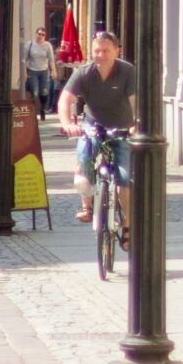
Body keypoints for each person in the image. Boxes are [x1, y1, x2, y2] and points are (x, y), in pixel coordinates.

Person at [57, 27, 137, 232]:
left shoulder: (127, 71)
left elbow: (135, 101)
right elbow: (65, 99)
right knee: (84, 157)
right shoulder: (84, 72)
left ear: (117, 51)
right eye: (96, 51)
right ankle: (87, 206)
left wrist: (136, 124)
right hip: (94, 125)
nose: (100, 55)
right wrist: (67, 123)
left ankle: (127, 224)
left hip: (121, 128)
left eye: (106, 50)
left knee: (123, 175)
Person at [24, 28, 58, 119]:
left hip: (44, 71)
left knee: (44, 93)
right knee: (34, 92)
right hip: (32, 71)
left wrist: (53, 71)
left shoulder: (47, 45)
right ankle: (33, 114)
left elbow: (51, 60)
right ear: (36, 34)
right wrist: (25, 72)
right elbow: (25, 60)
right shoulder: (29, 45)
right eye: (39, 34)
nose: (41, 36)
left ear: (45, 36)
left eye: (43, 35)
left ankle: (42, 109)